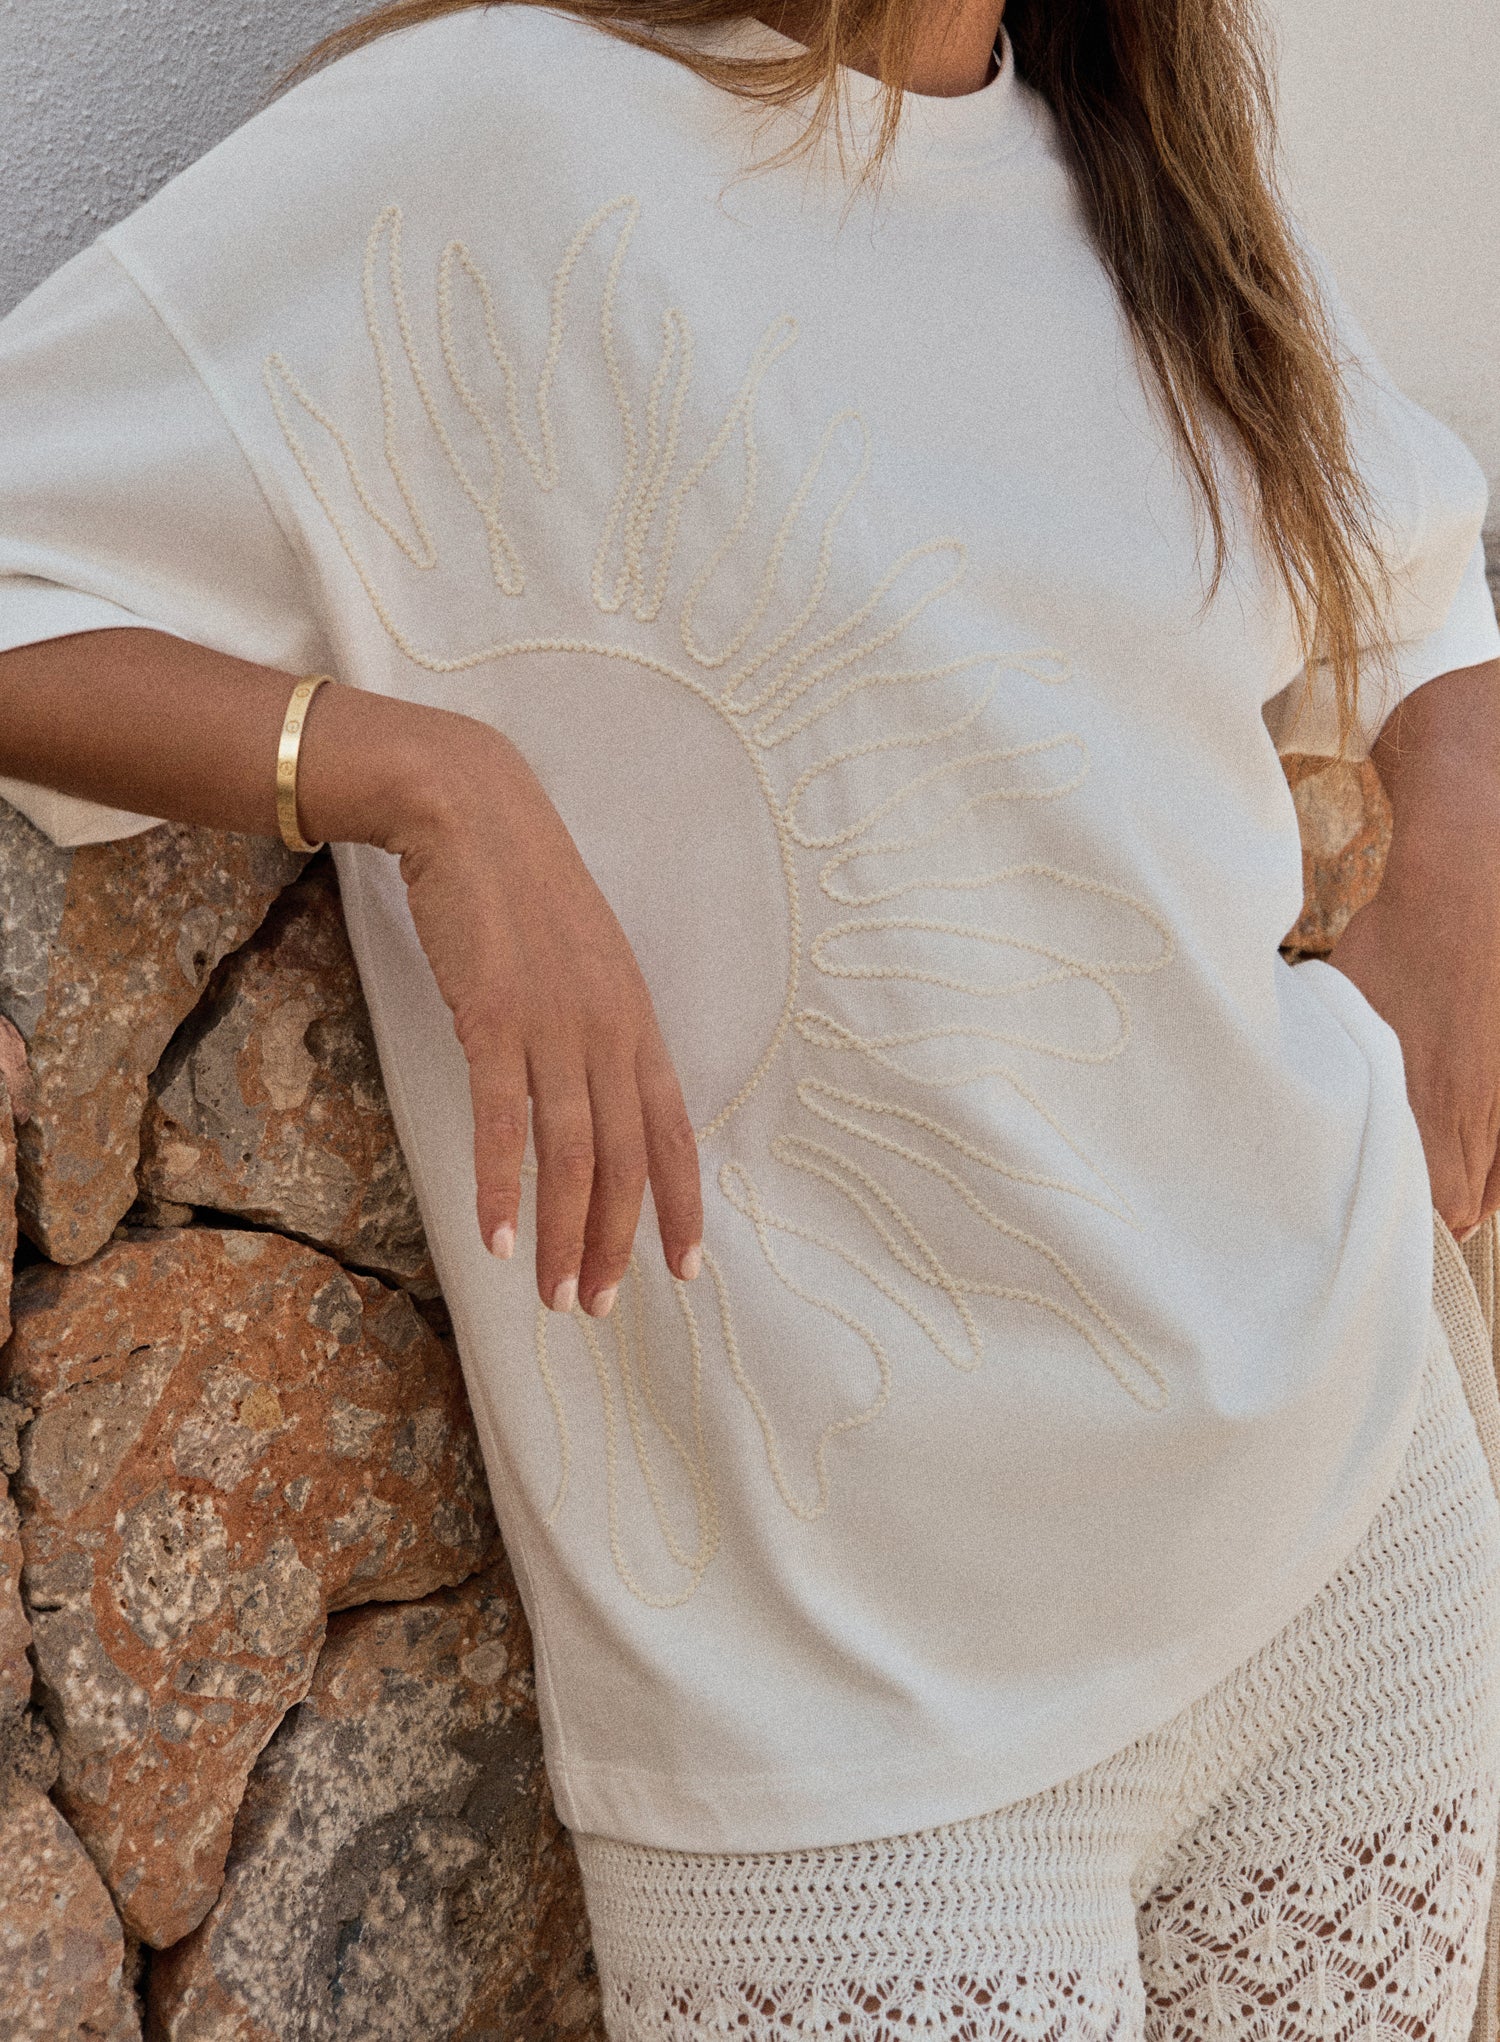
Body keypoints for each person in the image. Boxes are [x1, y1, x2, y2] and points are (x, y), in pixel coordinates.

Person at [2, 0, 1500, 2032]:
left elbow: (1408, 562)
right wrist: (422, 779)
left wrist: (1461, 855)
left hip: (1345, 1534)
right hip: (840, 1734)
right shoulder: (488, 141)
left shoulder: (1139, 160)